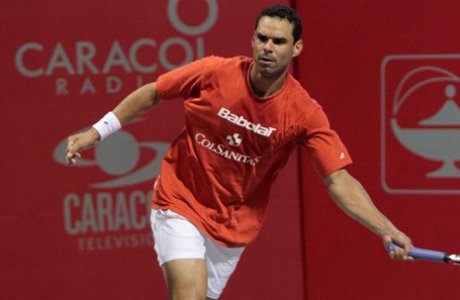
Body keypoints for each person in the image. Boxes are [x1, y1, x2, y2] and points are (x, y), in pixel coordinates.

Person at [65, 4, 413, 300]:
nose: (267, 47)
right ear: (252, 39)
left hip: (233, 228)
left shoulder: (303, 113)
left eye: (279, 41)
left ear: (296, 49)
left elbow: (338, 180)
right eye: (262, 38)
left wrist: (384, 227)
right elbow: (155, 92)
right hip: (180, 200)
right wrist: (99, 130)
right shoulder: (214, 72)